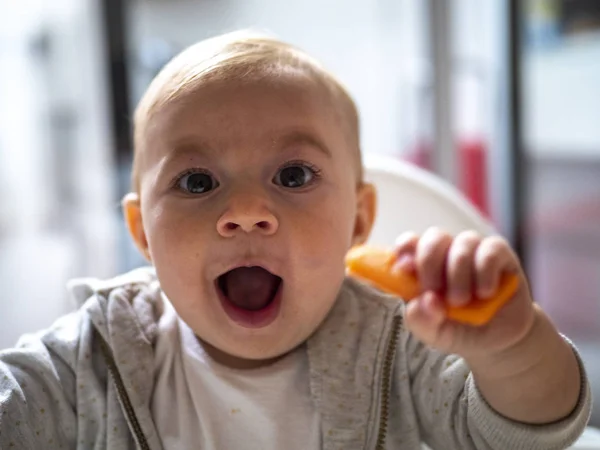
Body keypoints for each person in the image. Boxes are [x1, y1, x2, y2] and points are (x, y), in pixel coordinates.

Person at [0, 30, 591, 450]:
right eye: (197, 181)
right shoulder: (95, 358)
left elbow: (523, 435)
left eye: (293, 175)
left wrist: (511, 348)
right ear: (143, 236)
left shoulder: (397, 343)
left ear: (358, 222)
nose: (247, 212)